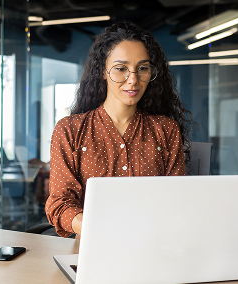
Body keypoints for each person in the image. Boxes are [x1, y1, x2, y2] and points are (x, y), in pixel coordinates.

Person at [45, 22, 196, 238]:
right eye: (121, 69)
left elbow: (176, 201)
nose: (133, 80)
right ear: (103, 72)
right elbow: (60, 205)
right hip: (91, 250)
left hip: (153, 248)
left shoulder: (166, 129)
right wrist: (102, 229)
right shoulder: (69, 130)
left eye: (142, 68)